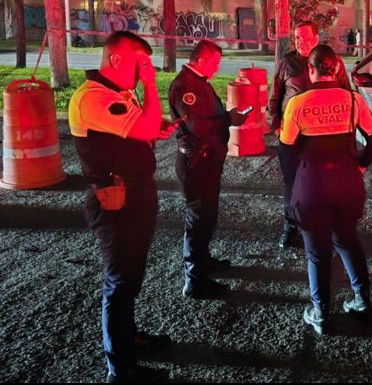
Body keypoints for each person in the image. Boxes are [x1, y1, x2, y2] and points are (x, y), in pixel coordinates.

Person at [68, 31, 176, 383]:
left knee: (133, 278)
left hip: (136, 194)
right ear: (115, 60)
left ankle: (128, 337)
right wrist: (149, 84)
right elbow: (139, 122)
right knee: (120, 281)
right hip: (115, 200)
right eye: (139, 63)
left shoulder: (116, 94)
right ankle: (120, 367)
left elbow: (135, 130)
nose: (143, 70)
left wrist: (151, 131)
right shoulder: (94, 98)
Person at [280, 44, 372, 334]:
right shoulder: (352, 100)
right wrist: (361, 164)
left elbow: (286, 152)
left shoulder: (298, 103)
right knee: (348, 239)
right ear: (336, 68)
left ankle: (321, 312)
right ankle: (362, 300)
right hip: (348, 183)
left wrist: (293, 189)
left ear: (310, 70)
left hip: (311, 185)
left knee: (317, 251)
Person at [168, 40, 248, 299]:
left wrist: (227, 117)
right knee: (198, 219)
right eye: (214, 62)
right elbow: (197, 126)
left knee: (207, 217)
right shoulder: (185, 86)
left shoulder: (198, 82)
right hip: (195, 163)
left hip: (206, 160)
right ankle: (194, 280)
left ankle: (203, 261)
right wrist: (229, 119)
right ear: (200, 60)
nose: (217, 67)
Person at [267, 20, 351, 249]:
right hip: (293, 138)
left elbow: (347, 96)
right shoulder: (286, 63)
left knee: (326, 183)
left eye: (305, 38)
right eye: (296, 38)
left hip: (324, 139)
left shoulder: (333, 62)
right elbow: (274, 97)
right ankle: (291, 227)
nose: (300, 42)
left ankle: (329, 227)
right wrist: (275, 125)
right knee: (293, 185)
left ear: (316, 38)